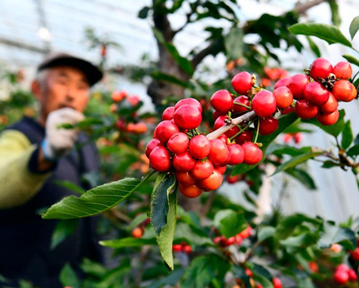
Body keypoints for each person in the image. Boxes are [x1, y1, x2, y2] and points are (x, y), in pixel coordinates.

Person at [0, 52, 104, 287]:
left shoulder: (86, 144)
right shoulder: (18, 136)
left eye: (81, 86)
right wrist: (44, 154)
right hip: (25, 278)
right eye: (62, 81)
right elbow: (2, 180)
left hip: (80, 276)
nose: (71, 94)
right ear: (37, 89)